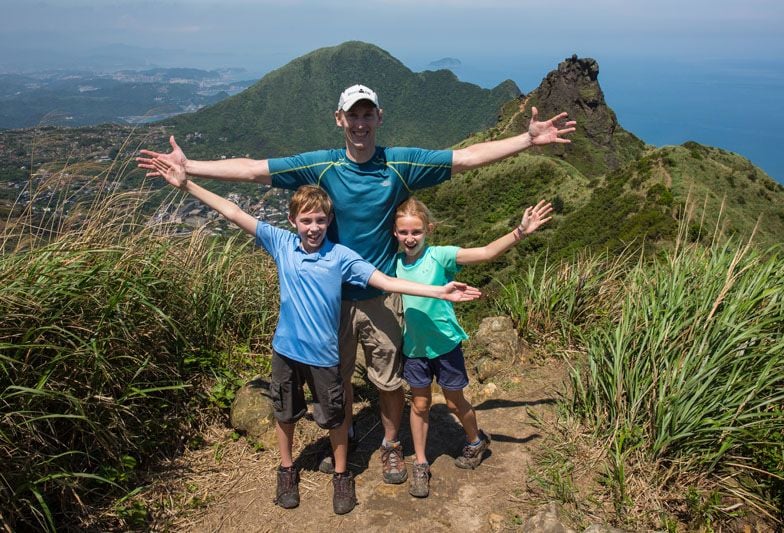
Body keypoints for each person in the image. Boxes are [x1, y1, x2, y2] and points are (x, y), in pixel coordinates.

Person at [138, 83, 576, 484]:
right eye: (353, 116)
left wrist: (526, 140)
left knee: (388, 380)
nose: (361, 123)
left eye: (368, 115)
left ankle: (389, 445)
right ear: (339, 119)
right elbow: (254, 170)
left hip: (382, 294)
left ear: (379, 118)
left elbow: (463, 159)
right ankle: (343, 440)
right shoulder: (322, 164)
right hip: (330, 301)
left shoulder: (399, 163)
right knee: (339, 377)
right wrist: (189, 167)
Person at [149, 158, 481, 514]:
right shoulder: (281, 243)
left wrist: (438, 291)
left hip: (342, 337)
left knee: (359, 399)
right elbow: (232, 211)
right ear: (292, 222)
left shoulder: (340, 256)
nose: (313, 227)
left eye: (320, 220)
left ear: (330, 222)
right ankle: (292, 466)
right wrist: (187, 184)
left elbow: (385, 281)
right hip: (291, 348)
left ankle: (365, 461)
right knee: (299, 406)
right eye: (306, 220)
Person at [392, 196, 553, 498]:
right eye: (403, 232)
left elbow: (486, 253)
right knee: (420, 404)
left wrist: (520, 231)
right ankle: (421, 463)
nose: (410, 238)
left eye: (416, 231)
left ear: (429, 229)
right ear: (395, 233)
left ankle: (476, 441)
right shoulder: (394, 263)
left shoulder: (440, 256)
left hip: (445, 345)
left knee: (454, 403)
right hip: (413, 347)